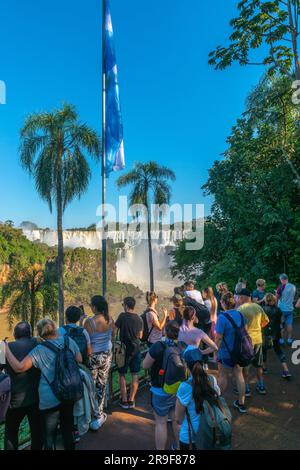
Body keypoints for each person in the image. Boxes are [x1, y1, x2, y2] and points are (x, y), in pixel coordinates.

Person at [5, 318, 82, 450]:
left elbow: (19, 368)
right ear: (55, 328)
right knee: (66, 430)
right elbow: (79, 360)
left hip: (47, 399)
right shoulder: (68, 341)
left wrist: (5, 348)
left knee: (47, 437)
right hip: (69, 393)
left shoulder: (39, 349)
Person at [4, 322, 42, 451]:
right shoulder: (38, 344)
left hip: (15, 401)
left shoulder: (7, 348)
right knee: (37, 432)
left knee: (10, 432)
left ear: (14, 335)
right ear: (30, 334)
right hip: (36, 397)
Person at [143, 321, 181, 451]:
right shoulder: (182, 346)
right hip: (177, 389)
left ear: (165, 331)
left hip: (159, 389)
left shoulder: (158, 346)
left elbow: (145, 365)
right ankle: (178, 446)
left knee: (160, 422)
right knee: (176, 420)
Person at [175, 348, 221, 450]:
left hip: (190, 437)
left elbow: (178, 418)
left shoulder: (185, 386)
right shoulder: (212, 380)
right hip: (210, 430)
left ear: (186, 365)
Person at [85, 295, 115, 431]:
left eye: (91, 305)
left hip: (93, 356)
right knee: (102, 384)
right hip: (107, 354)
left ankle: (93, 414)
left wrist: (81, 323)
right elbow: (113, 337)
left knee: (91, 385)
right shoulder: (110, 319)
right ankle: (99, 414)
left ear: (95, 307)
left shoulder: (89, 322)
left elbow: (86, 342)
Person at [215, 292, 247, 414]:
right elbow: (245, 332)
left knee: (222, 375)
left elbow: (218, 338)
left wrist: (214, 351)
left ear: (223, 303)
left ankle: (216, 401)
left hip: (226, 352)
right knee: (239, 375)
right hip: (239, 351)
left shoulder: (222, 317)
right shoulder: (240, 314)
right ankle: (241, 403)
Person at [238, 289, 270, 396]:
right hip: (258, 339)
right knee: (259, 364)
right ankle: (261, 386)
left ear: (242, 297)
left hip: (246, 341)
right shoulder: (258, 307)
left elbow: (238, 326)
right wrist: (257, 328)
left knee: (245, 366)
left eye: (239, 297)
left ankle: (246, 388)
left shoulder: (240, 309)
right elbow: (266, 321)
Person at [115, 297, 143, 409]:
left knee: (122, 374)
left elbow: (114, 329)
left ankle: (124, 400)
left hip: (123, 349)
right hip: (136, 349)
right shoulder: (139, 319)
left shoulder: (122, 316)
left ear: (126, 305)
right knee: (135, 374)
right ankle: (131, 400)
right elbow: (140, 336)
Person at [263, 294, 291, 379]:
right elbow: (282, 322)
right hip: (276, 333)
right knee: (278, 350)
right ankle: (286, 370)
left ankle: (264, 368)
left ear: (266, 300)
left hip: (266, 333)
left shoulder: (263, 309)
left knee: (263, 350)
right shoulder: (278, 310)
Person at [277, 274, 296, 345]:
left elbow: (277, 297)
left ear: (282, 279)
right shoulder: (293, 286)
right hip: (290, 309)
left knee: (281, 324)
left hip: (282, 309)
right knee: (289, 324)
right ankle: (289, 339)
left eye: (280, 280)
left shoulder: (281, 287)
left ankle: (281, 340)